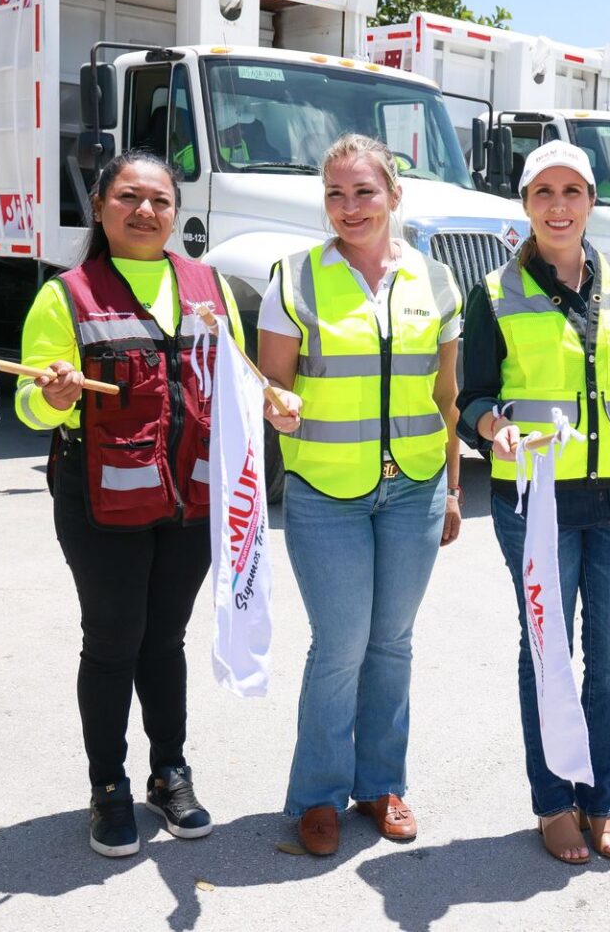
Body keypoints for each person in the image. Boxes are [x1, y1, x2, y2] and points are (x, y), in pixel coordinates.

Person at [15, 149, 245, 858]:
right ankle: (108, 784)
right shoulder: (67, 295)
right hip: (102, 502)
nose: (145, 211)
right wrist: (49, 394)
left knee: (164, 638)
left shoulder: (210, 285)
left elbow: (232, 378)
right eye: (129, 197)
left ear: (177, 212)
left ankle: (168, 771)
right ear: (102, 207)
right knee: (114, 638)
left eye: (160, 200)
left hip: (192, 499)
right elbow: (29, 401)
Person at [457, 140, 610, 865]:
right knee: (548, 653)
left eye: (572, 191)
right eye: (543, 192)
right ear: (525, 204)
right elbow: (471, 400)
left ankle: (602, 799)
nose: (558, 205)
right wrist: (493, 427)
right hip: (535, 503)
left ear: (591, 201)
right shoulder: (494, 290)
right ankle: (554, 801)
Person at [258, 133, 463, 857]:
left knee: (392, 644)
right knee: (340, 644)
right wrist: (276, 403)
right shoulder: (297, 276)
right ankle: (317, 793)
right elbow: (272, 382)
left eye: (364, 191)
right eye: (336, 193)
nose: (349, 206)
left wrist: (453, 487)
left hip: (413, 487)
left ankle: (380, 783)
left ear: (394, 196)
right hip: (325, 488)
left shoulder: (436, 282)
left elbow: (446, 395)